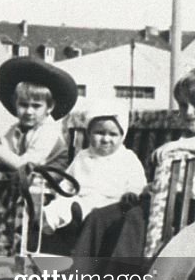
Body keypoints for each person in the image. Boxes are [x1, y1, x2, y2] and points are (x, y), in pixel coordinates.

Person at [73, 67, 195, 260]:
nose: (188, 112)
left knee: (134, 219)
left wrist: (178, 145)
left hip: (189, 206)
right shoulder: (184, 138)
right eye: (183, 106)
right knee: (100, 216)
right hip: (160, 201)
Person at [42, 99, 146, 234]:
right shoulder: (82, 156)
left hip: (112, 204)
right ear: (89, 134)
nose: (106, 139)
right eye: (99, 133)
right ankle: (45, 224)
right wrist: (62, 196)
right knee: (61, 206)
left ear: (122, 136)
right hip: (83, 201)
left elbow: (137, 182)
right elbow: (67, 182)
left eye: (113, 134)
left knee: (107, 215)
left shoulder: (127, 158)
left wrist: (131, 193)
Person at [0, 57, 75, 170]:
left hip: (48, 184)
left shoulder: (48, 132)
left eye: (36, 106)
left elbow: (23, 165)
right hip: (26, 182)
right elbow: (8, 153)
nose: (29, 112)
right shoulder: (16, 129)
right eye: (23, 105)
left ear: (50, 107)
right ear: (15, 104)